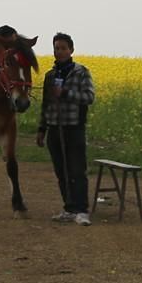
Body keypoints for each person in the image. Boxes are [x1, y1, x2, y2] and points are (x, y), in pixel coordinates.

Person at [34, 32, 96, 225]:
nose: (59, 52)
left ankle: (82, 210)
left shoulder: (81, 72)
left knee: (77, 170)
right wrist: (42, 129)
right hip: (54, 129)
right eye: (56, 48)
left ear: (71, 50)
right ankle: (69, 208)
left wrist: (66, 93)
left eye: (62, 48)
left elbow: (89, 97)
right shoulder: (50, 76)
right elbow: (46, 104)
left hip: (74, 128)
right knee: (61, 171)